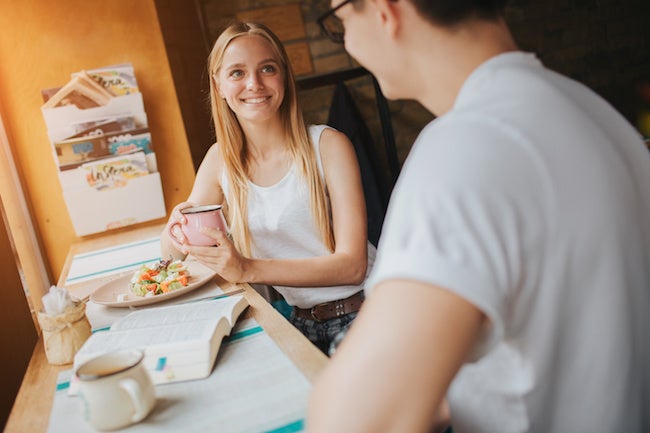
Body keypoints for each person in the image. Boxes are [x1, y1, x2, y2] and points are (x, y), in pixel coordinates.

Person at [307, 1, 650, 432]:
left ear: (384, 11)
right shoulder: (599, 115)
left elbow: (358, 421)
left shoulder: (464, 148)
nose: (349, 44)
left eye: (340, 23)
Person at [161, 21, 375, 355]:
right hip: (300, 322)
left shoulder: (329, 146)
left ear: (285, 77)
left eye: (267, 68)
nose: (254, 84)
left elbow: (352, 266)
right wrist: (178, 225)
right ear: (218, 85)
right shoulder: (221, 161)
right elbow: (172, 254)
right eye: (237, 73)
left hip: (366, 312)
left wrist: (246, 268)